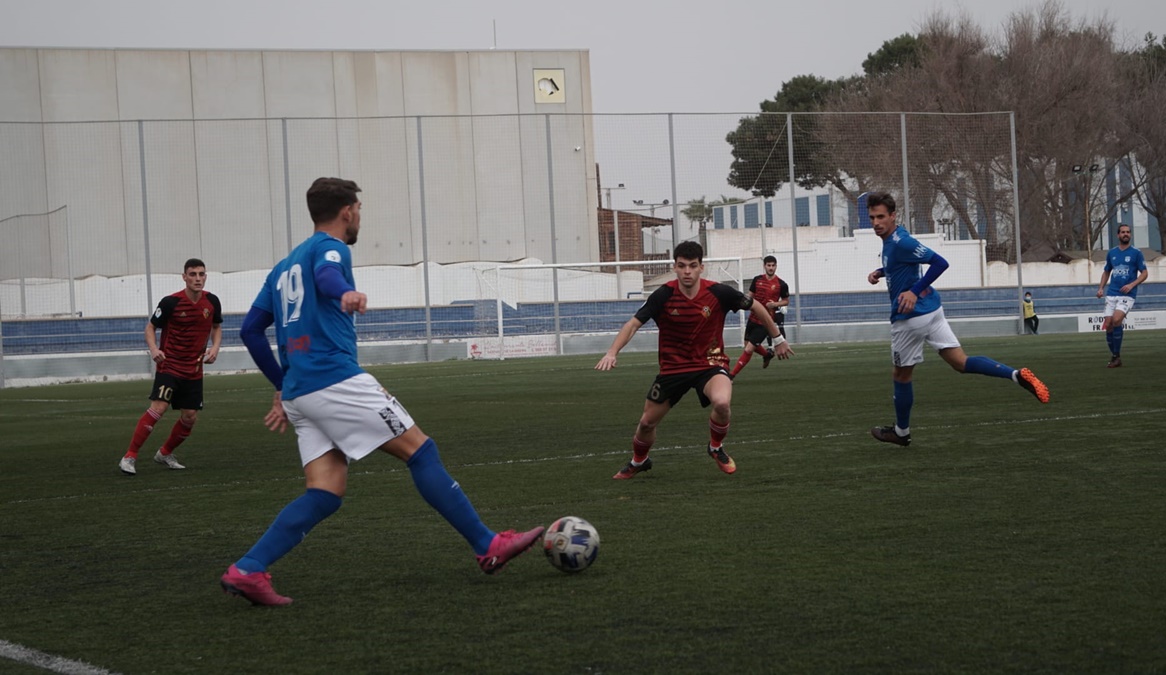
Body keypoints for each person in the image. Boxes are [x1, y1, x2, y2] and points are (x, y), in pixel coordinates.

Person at [223, 177, 543, 606]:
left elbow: (249, 331)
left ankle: (248, 568)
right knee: (420, 451)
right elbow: (327, 274)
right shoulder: (331, 248)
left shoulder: (282, 268)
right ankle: (487, 545)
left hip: (301, 391)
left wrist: (281, 386)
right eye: (358, 209)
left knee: (324, 492)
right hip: (333, 380)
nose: (359, 217)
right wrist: (346, 292)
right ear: (347, 211)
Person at [864, 192, 1050, 447]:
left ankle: (901, 432)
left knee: (901, 376)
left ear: (893, 215)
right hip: (933, 311)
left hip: (909, 319)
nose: (876, 222)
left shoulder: (902, 242)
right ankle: (1016, 375)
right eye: (872, 217)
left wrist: (913, 291)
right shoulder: (896, 238)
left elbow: (940, 263)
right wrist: (881, 272)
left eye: (881, 217)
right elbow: (903, 265)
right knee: (961, 362)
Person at [595, 241, 793, 479]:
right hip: (673, 369)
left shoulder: (719, 292)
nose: (687, 271)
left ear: (701, 267)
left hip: (710, 365)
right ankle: (639, 460)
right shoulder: (663, 295)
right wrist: (612, 352)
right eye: (681, 266)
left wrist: (778, 338)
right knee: (646, 423)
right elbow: (633, 324)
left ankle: (716, 448)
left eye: (692, 266)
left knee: (721, 402)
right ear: (675, 267)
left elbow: (758, 307)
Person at [118, 258, 222, 475]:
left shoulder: (212, 302)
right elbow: (150, 328)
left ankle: (164, 453)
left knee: (190, 416)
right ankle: (129, 457)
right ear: (184, 277)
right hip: (170, 366)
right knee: (159, 408)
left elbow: (216, 327)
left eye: (201, 274)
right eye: (192, 274)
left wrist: (215, 348)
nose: (197, 278)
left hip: (194, 370)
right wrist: (154, 350)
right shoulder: (170, 303)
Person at [1096, 224, 1148, 368]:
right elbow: (1107, 271)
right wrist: (1101, 288)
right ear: (1118, 235)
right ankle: (1115, 357)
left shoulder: (1136, 253)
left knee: (1116, 319)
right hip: (1112, 293)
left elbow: (1144, 273)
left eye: (1128, 232)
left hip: (1127, 294)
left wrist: (1132, 285)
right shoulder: (1112, 253)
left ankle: (1115, 356)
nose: (1126, 234)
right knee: (1108, 325)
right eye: (1123, 232)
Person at [729, 255, 791, 378]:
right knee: (747, 344)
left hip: (765, 322)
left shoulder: (781, 284)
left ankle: (731, 375)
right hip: (753, 317)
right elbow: (750, 296)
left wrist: (775, 304)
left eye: (773, 265)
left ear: (776, 266)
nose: (771, 268)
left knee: (748, 349)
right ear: (764, 266)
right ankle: (767, 355)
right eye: (769, 265)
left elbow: (786, 301)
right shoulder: (757, 280)